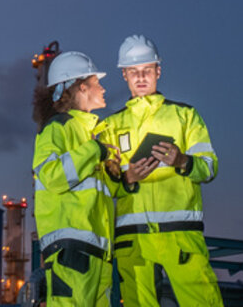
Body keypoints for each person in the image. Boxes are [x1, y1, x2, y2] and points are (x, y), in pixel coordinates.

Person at [99, 35, 221, 307]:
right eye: (133, 72)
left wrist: (182, 161)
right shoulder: (110, 126)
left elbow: (209, 168)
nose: (140, 77)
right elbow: (101, 186)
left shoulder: (185, 116)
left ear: (158, 71)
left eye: (146, 70)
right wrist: (127, 178)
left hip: (181, 235)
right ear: (124, 75)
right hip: (133, 238)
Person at [32, 51, 118, 307]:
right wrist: (95, 151)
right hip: (71, 250)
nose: (102, 88)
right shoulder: (57, 128)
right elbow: (53, 176)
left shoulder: (88, 132)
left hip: (97, 252)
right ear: (82, 87)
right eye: (97, 82)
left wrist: (116, 174)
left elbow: (98, 191)